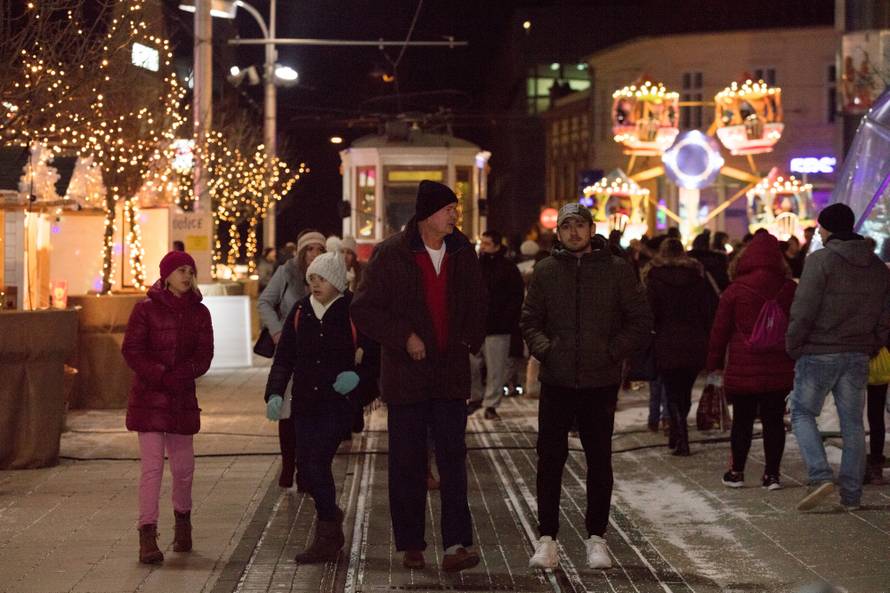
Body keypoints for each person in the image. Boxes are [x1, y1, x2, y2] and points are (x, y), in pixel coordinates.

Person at [351, 180, 485, 572]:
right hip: (407, 378)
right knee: (407, 464)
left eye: (455, 209)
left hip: (449, 375)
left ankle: (456, 545)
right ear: (428, 214)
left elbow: (479, 302)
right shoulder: (391, 253)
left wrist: (467, 342)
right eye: (448, 209)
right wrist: (404, 336)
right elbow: (364, 309)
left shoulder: (463, 252)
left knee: (453, 462)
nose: (454, 215)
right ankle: (411, 543)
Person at [521, 203, 652, 570]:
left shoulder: (616, 271)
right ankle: (547, 538)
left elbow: (640, 321)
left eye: (579, 225)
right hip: (558, 379)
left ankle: (597, 537)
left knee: (599, 460)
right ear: (558, 233)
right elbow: (530, 320)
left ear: (590, 229)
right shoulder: (547, 271)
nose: (573, 232)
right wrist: (547, 350)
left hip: (599, 380)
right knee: (550, 460)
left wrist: (612, 352)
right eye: (567, 227)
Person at [264, 252, 376, 563]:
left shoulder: (354, 311)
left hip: (336, 405)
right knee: (309, 472)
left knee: (316, 464)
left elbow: (376, 358)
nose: (315, 284)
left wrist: (357, 378)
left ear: (338, 281)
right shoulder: (301, 311)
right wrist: (274, 393)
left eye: (321, 279)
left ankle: (327, 534)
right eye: (311, 278)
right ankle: (331, 517)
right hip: (304, 403)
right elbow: (284, 357)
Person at [787, 203, 890, 511]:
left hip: (819, 350)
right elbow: (886, 314)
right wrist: (873, 341)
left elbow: (803, 309)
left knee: (802, 413)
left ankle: (820, 476)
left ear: (828, 228)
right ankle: (852, 495)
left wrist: (793, 344)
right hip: (858, 352)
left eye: (820, 227)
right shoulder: (875, 265)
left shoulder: (821, 261)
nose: (818, 231)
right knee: (853, 425)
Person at [122, 251, 214, 564]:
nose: (186, 276)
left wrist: (183, 374)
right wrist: (160, 374)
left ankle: (183, 522)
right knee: (152, 468)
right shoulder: (145, 309)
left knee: (184, 468)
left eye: (190, 270)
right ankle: (147, 534)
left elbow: (204, 355)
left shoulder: (200, 313)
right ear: (166, 275)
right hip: (150, 398)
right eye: (179, 270)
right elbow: (132, 349)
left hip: (181, 400)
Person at [706, 232, 796, 489]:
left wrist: (713, 363)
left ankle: (737, 472)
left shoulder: (735, 290)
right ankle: (772, 475)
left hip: (743, 367)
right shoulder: (789, 288)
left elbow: (719, 331)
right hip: (779, 367)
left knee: (742, 421)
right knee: (774, 421)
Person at [257, 230, 326, 491]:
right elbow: (265, 302)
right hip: (290, 350)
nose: (315, 255)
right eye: (310, 249)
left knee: (311, 411)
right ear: (301, 252)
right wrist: (277, 331)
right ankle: (289, 463)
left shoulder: (329, 274)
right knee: (287, 408)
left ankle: (306, 468)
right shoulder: (287, 272)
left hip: (318, 353)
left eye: (320, 250)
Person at [642, 238, 715, 456]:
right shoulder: (697, 276)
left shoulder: (654, 278)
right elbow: (708, 309)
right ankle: (678, 430)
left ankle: (680, 435)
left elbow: (650, 313)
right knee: (685, 390)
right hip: (694, 340)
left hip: (666, 340)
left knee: (672, 390)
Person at [468, 230, 524, 420]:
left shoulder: (507, 268)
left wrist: (507, 320)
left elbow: (516, 297)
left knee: (495, 370)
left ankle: (491, 404)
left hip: (498, 326)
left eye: (486, 243)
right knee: (471, 364)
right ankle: (475, 397)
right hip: (477, 326)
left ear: (496, 245)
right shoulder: (476, 266)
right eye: (481, 243)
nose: (482, 247)